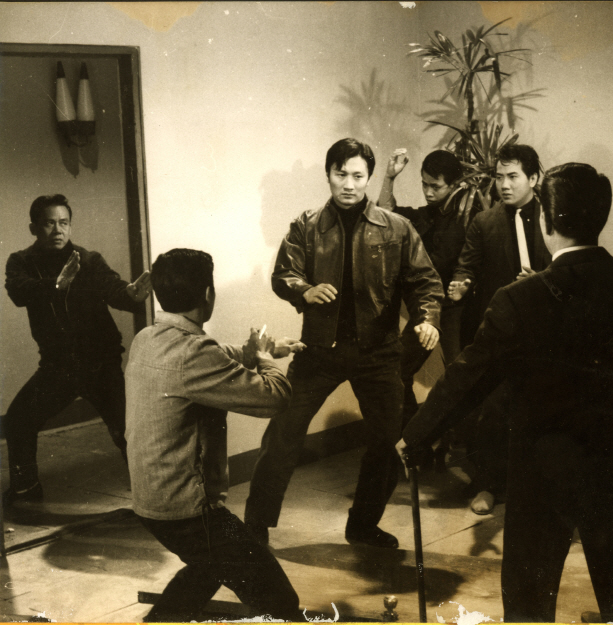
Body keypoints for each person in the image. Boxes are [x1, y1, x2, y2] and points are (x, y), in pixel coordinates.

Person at [397, 103, 613, 623]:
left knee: (530, 602)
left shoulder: (519, 300)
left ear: (550, 225)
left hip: (541, 465)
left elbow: (468, 376)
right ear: (599, 219)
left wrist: (416, 435)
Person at [244, 138, 443, 548]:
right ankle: (255, 527)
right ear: (328, 174)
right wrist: (304, 289)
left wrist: (427, 319)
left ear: (369, 178)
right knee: (283, 433)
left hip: (379, 353)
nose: (348, 184)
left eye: (357, 175)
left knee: (388, 441)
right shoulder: (306, 225)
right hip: (319, 352)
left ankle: (363, 525)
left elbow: (424, 282)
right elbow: (283, 273)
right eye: (341, 174)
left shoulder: (397, 227)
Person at [125, 248, 306, 623]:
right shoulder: (193, 353)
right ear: (208, 294)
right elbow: (275, 397)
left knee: (207, 569)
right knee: (279, 600)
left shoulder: (146, 338)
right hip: (189, 513)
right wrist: (266, 360)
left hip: (151, 503)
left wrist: (255, 351)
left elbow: (211, 357)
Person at [3, 194, 151, 506]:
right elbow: (18, 291)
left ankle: (153, 496)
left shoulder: (88, 260)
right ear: (34, 228)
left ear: (70, 226)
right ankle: (26, 490)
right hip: (58, 368)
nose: (58, 230)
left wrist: (132, 295)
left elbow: (113, 289)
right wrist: (56, 285)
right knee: (18, 420)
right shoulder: (21, 261)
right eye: (49, 223)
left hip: (100, 364)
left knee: (127, 431)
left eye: (64, 223)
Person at [446, 143, 553, 514]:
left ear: (534, 178)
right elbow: (467, 265)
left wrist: (542, 280)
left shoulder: (553, 217)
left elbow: (570, 267)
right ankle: (488, 484)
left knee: (542, 411)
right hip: (499, 332)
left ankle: (539, 487)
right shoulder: (484, 221)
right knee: (492, 411)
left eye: (513, 177)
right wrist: (461, 283)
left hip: (546, 333)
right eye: (499, 177)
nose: (504, 185)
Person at [378, 148, 468, 420]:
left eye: (435, 187)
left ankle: (458, 438)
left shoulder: (467, 215)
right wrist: (389, 177)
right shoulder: (429, 214)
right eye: (424, 184)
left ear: (455, 185)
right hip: (429, 306)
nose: (428, 192)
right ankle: (411, 435)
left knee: (460, 376)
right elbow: (385, 213)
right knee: (397, 368)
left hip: (455, 309)